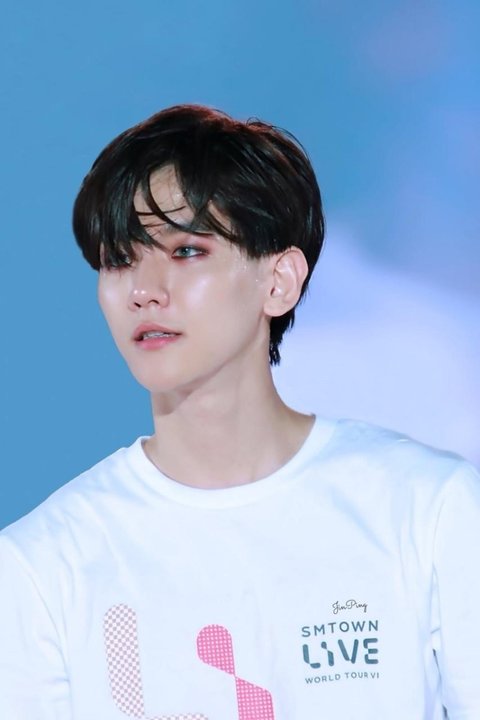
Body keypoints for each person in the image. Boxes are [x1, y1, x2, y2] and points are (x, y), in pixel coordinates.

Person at [1, 104, 479, 720]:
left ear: (280, 280)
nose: (144, 290)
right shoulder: (42, 566)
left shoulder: (429, 511)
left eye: (186, 251)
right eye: (119, 259)